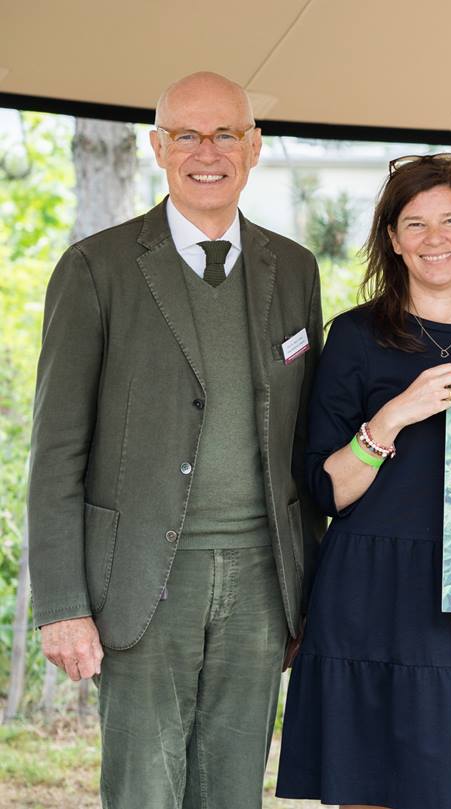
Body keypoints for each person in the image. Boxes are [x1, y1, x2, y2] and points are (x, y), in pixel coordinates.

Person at [26, 71, 324, 807]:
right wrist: (61, 603)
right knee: (144, 791)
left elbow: (304, 437)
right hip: (141, 579)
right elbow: (56, 451)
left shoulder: (294, 268)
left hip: (262, 581)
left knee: (233, 789)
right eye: (186, 135)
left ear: (254, 147)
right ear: (158, 147)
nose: (206, 152)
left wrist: (307, 587)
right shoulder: (95, 268)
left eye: (225, 134)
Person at [276, 154, 451, 809]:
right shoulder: (354, 335)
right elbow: (327, 490)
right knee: (367, 788)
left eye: (450, 220)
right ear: (393, 240)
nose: (434, 238)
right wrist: (393, 415)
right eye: (414, 224)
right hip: (368, 593)